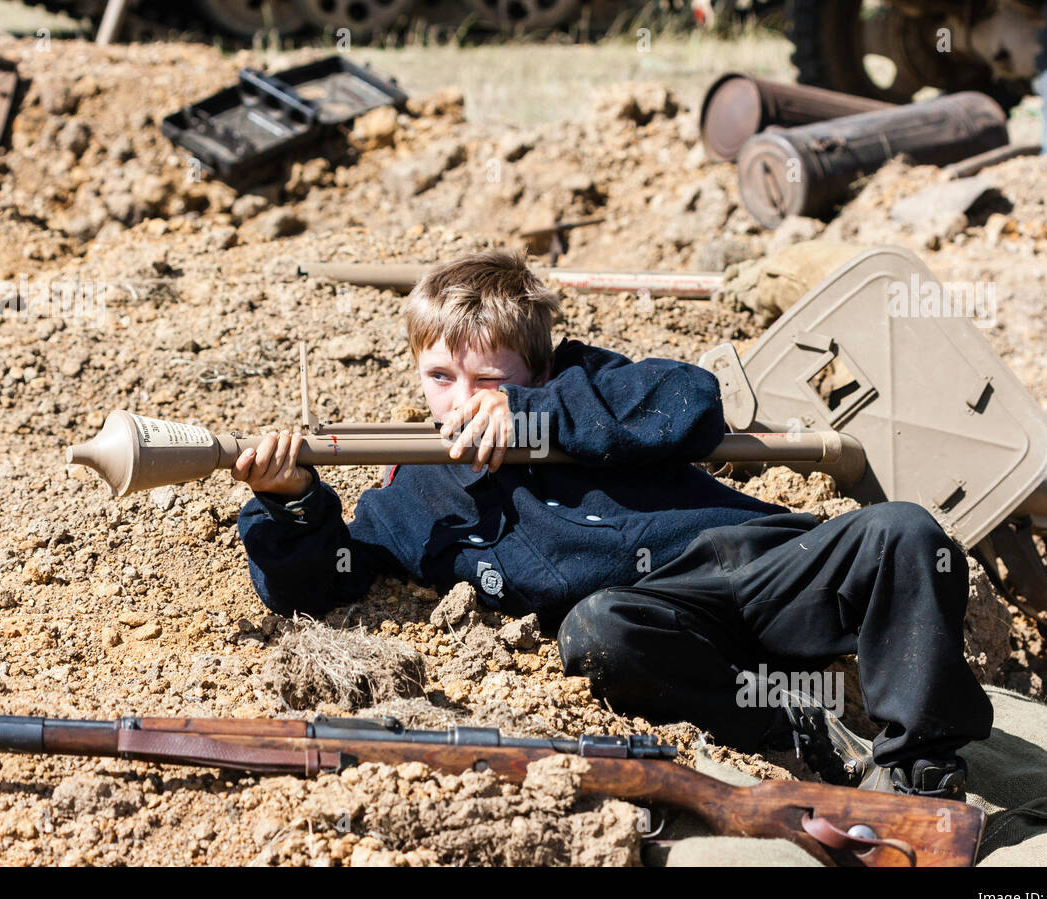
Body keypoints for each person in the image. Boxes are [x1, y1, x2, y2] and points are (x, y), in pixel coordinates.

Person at [235, 249, 993, 799]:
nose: (461, 399)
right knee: (597, 632)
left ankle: (921, 773)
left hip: (758, 567)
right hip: (657, 624)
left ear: (534, 368)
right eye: (441, 378)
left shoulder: (584, 384)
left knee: (903, 532)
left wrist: (532, 414)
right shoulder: (412, 494)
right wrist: (292, 500)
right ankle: (802, 734)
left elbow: (691, 400)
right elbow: (327, 583)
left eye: (489, 380)